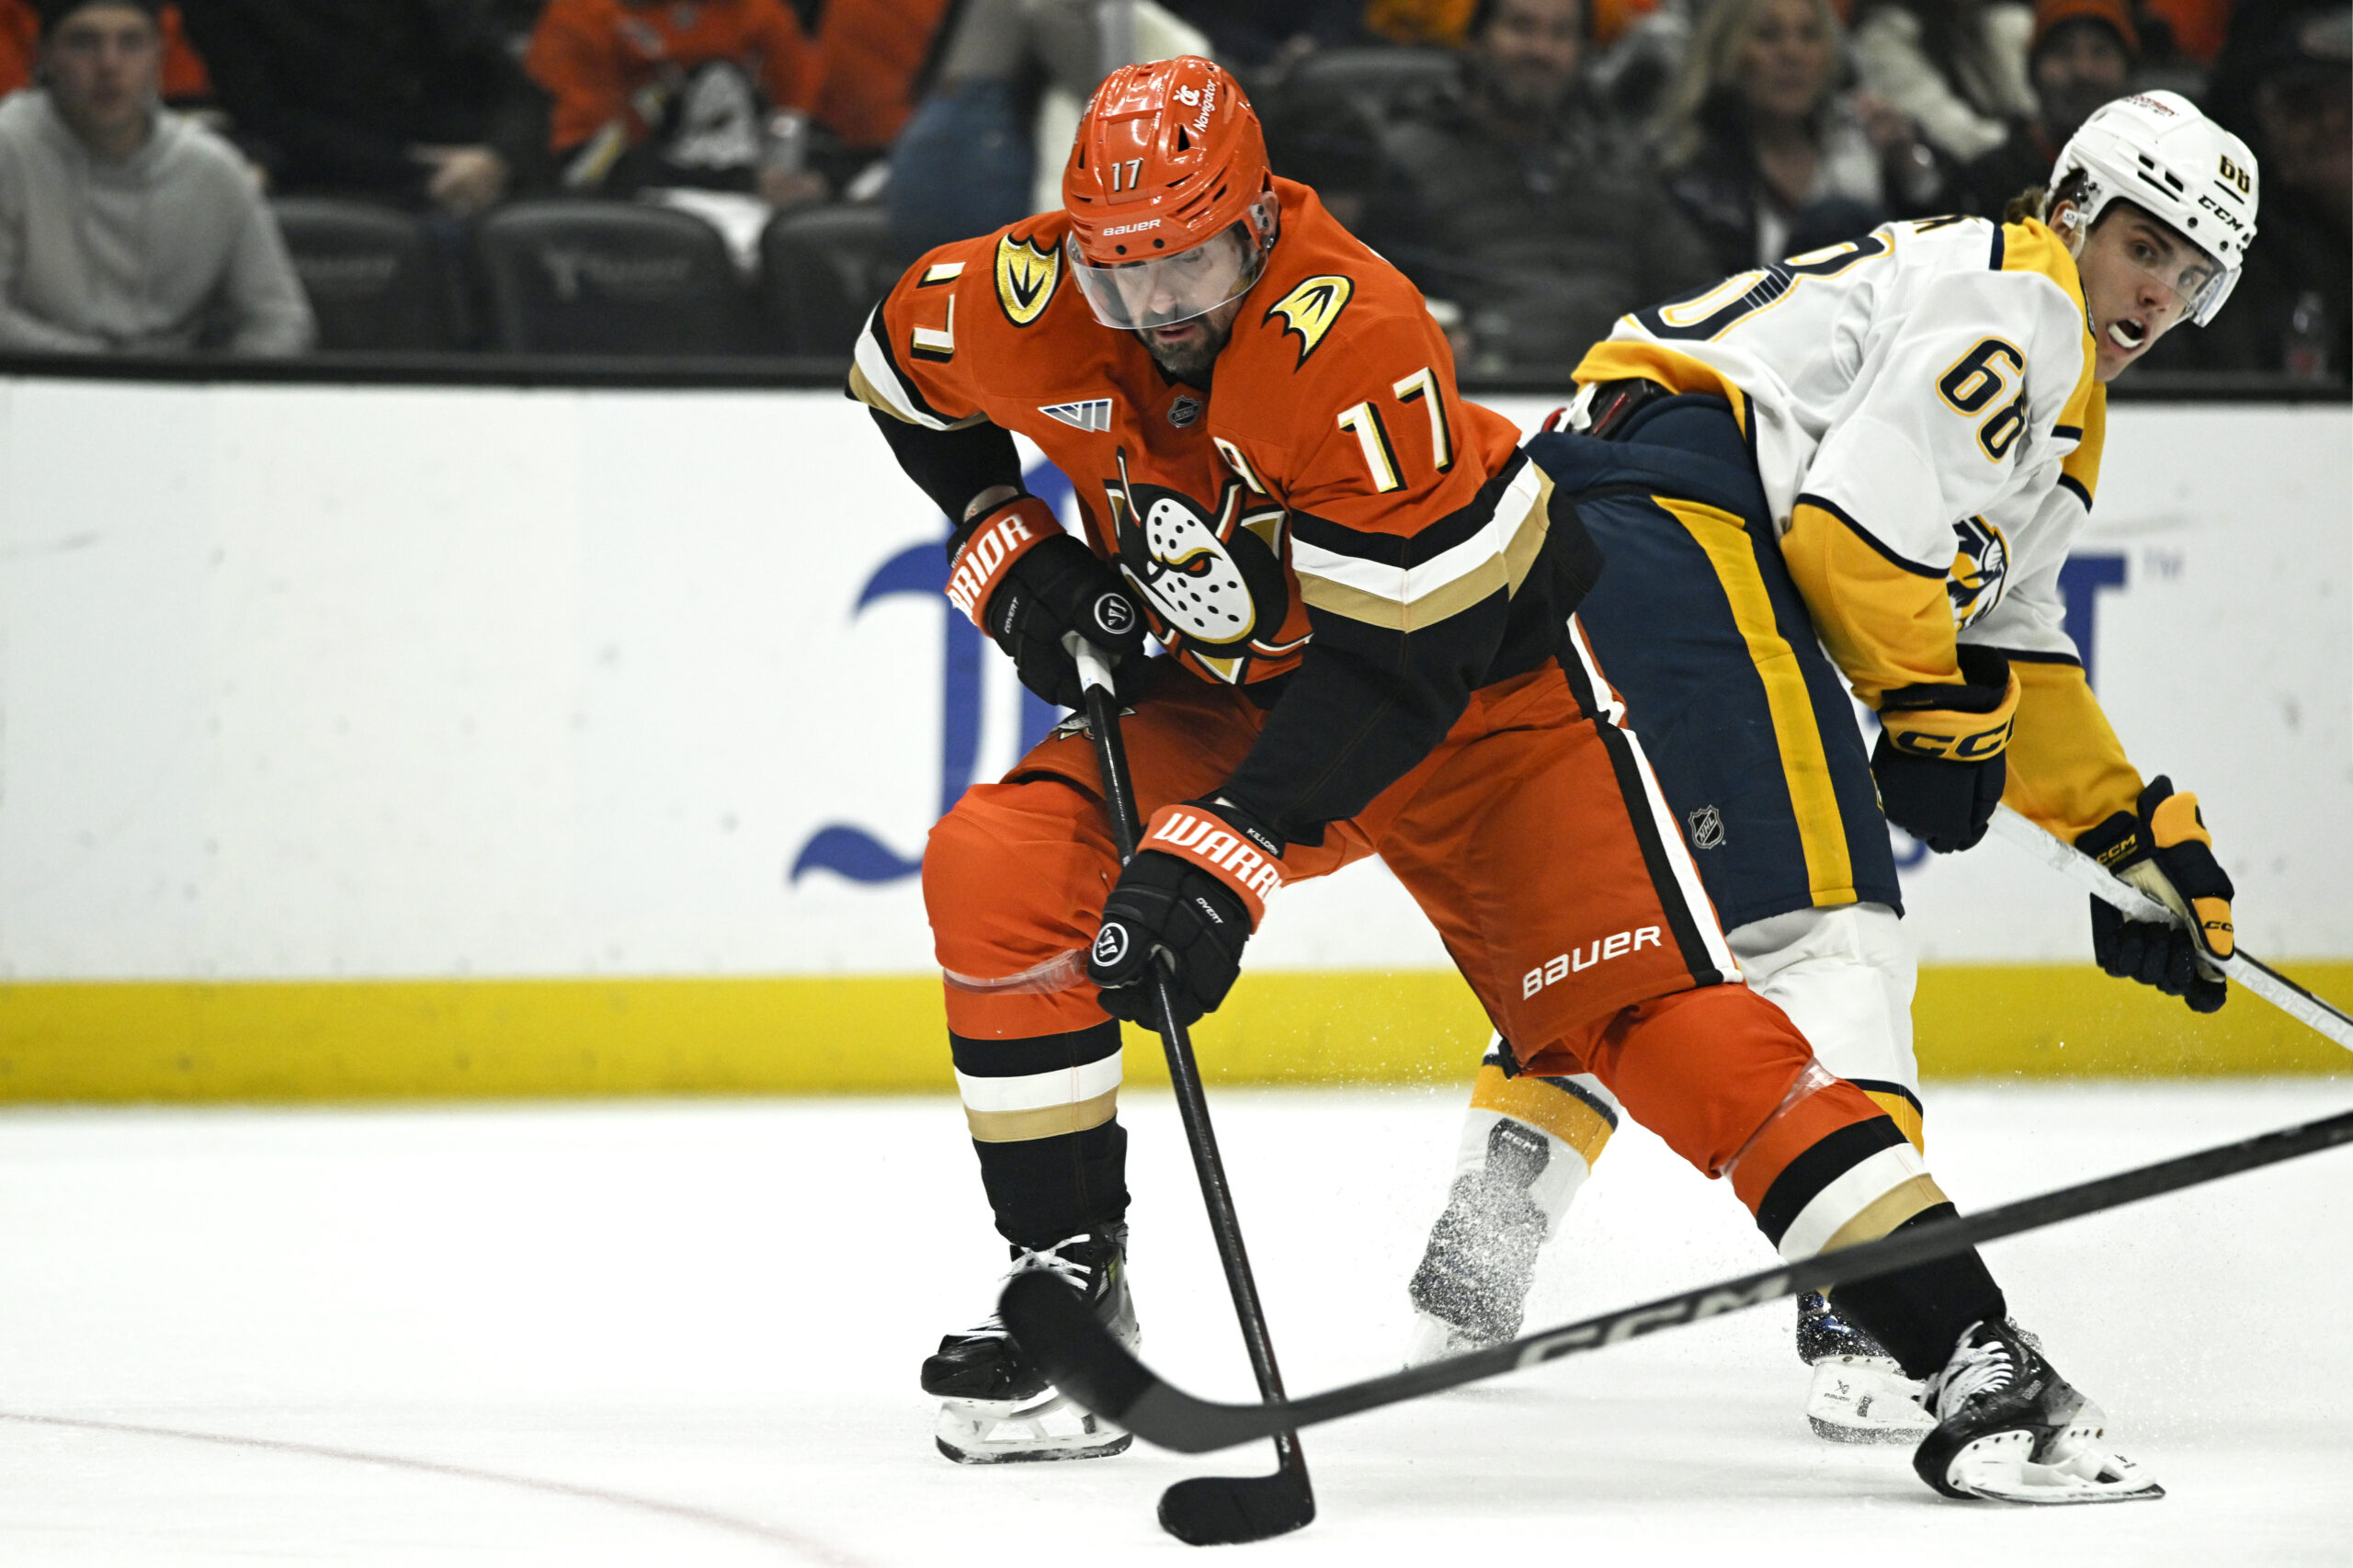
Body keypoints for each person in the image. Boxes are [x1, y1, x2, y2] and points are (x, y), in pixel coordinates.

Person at [857, 53, 2137, 1506]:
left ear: (1259, 223)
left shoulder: (1355, 336)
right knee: (998, 865)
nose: (1155, 307)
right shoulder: (1033, 294)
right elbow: (897, 372)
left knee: (1648, 1022)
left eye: (1189, 261)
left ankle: (1976, 1350)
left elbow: (1400, 666)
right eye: (1121, 268)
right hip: (1234, 695)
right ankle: (1070, 1282)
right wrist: (999, 536)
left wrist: (1232, 845)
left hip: (1478, 703)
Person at [1407, 92, 2254, 1493]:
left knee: (1648, 920)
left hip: (1579, 515)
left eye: (2195, 271)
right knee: (1827, 928)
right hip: (1679, 520)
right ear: (2072, 208)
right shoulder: (2026, 302)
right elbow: (1856, 532)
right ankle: (1873, 1300)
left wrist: (2130, 833)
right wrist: (1930, 701)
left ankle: (1491, 1223)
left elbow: (2009, 645)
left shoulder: (2050, 394)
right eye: (2144, 242)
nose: (2158, 287)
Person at [1358, 0, 1716, 371]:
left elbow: (1696, 292)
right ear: (1475, 41)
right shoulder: (1406, 160)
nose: (1540, 50)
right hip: (1476, 397)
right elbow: (1375, 304)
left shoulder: (1618, 162)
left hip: (1617, 395)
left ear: (1584, 54)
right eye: (1520, 27)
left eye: (1560, 34)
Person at [0, 0, 310, 354]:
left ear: (159, 56)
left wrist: (228, 390)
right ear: (45, 56)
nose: (109, 64)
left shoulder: (211, 169)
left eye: (131, 43)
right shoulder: (9, 150)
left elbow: (280, 319)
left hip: (179, 393)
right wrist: (108, 373)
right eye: (83, 43)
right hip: (34, 388)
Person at [179, 0, 545, 219]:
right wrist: (421, 175)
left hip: (480, 174)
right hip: (339, 183)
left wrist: (498, 157)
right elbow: (265, 119)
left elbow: (516, 89)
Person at [1654, 0, 1933, 276]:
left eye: (1809, 35)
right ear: (1728, 50)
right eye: (1768, 35)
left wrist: (1908, 169)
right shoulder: (1688, 171)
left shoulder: (1862, 139)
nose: (1792, 53)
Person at [525, 0, 824, 208]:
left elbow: (799, 109)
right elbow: (583, 165)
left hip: (751, 200)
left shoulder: (759, 12)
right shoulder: (579, 15)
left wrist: (788, 172)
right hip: (628, 205)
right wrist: (734, 181)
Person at [1949, 0, 2138, 221]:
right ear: (2032, 70)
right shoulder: (1983, 183)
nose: (2083, 70)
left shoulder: (2152, 180)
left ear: (2129, 69)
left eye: (2100, 51)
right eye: (2063, 51)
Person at [1851, 0, 2036, 165]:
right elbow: (1958, 137)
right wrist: (2039, 143)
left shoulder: (2003, 21)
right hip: (1955, 181)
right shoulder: (1883, 39)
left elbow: (2034, 108)